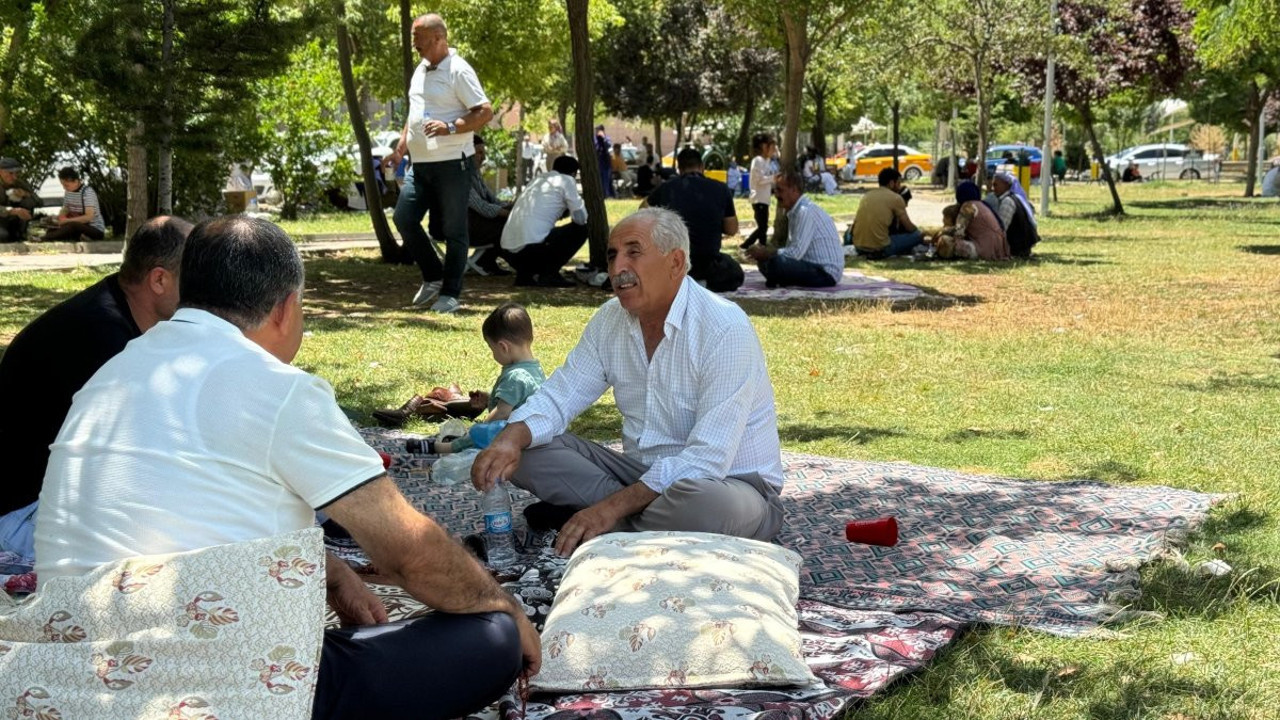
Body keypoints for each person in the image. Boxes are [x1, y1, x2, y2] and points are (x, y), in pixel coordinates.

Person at [34, 215, 540, 719]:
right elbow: (411, 551)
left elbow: (189, 519)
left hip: (68, 664)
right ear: (285, 307)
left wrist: (334, 573)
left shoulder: (112, 374)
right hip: (215, 689)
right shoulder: (276, 388)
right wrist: (507, 606)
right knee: (491, 637)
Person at [472, 208, 786, 558]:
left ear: (676, 262)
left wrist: (608, 508)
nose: (617, 268)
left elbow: (707, 459)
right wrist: (509, 439)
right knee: (525, 449)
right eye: (612, 255)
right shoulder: (610, 319)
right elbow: (562, 394)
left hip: (727, 485)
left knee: (704, 505)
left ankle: (605, 525)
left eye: (633, 252)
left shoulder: (724, 328)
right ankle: (635, 527)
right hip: (637, 478)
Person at [0, 216, 190, 563]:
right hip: (23, 518)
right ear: (159, 280)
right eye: (196, 276)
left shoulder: (119, 308)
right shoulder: (102, 339)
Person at [386, 14, 494, 315]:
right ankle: (433, 276)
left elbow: (484, 111)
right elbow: (414, 113)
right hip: (419, 165)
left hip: (452, 164)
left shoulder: (458, 70)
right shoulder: (421, 70)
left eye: (417, 37)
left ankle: (450, 293)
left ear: (437, 37)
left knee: (454, 230)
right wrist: (400, 150)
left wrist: (450, 127)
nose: (413, 43)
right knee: (404, 218)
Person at [434, 303, 546, 454]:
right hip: (531, 432)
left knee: (480, 432)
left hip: (512, 434)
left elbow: (502, 412)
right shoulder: (535, 369)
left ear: (503, 347)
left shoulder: (516, 376)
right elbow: (516, 400)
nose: (493, 354)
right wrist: (489, 399)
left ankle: (450, 448)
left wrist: (482, 426)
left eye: (492, 349)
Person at [643, 147, 743, 292]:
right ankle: (702, 283)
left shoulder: (666, 189)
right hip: (708, 264)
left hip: (674, 262)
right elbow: (731, 229)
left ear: (679, 168)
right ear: (702, 167)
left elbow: (642, 212)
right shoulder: (721, 189)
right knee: (734, 270)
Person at [500, 155, 588, 287]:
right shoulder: (567, 180)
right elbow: (580, 219)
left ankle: (525, 276)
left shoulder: (538, 180)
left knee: (538, 233)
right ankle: (550, 274)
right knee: (582, 230)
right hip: (533, 251)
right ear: (573, 173)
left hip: (508, 252)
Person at [746, 171, 843, 288]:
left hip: (825, 273)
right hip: (812, 267)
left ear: (794, 190)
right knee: (767, 261)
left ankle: (778, 277)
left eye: (780, 190)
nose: (776, 195)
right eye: (775, 190)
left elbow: (796, 253)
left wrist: (769, 252)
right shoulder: (795, 212)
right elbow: (791, 252)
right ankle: (778, 277)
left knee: (775, 263)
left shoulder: (804, 211)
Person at [465, 134, 513, 275]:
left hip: (476, 222)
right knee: (507, 225)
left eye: (483, 153)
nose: (483, 158)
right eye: (479, 153)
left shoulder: (475, 174)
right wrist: (509, 214)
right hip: (466, 227)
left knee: (511, 216)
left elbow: (492, 200)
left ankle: (487, 261)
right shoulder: (461, 176)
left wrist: (513, 206)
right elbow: (482, 207)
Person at [851, 168, 923, 258]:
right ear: (892, 183)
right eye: (898, 183)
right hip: (881, 248)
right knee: (917, 235)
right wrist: (920, 232)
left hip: (858, 246)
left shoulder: (867, 196)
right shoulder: (896, 198)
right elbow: (909, 227)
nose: (900, 187)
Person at [932, 180, 1009, 261]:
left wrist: (942, 232)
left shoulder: (968, 206)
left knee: (945, 241)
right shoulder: (981, 205)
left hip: (985, 249)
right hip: (998, 248)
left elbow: (958, 231)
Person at [42, 166, 108, 241]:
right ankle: (78, 237)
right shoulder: (68, 192)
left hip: (93, 228)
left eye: (66, 185)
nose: (64, 188)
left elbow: (89, 217)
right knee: (52, 229)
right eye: (63, 185)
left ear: (76, 181)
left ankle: (44, 238)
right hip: (76, 225)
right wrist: (59, 219)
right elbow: (66, 208)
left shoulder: (87, 192)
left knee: (72, 225)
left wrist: (67, 221)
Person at [987, 171, 1039, 257]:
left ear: (1006, 185)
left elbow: (1001, 229)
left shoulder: (1008, 201)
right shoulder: (1016, 198)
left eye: (995, 185)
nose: (993, 188)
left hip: (1016, 249)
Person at [741, 133, 776, 250]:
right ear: (763, 146)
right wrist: (774, 178)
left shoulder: (767, 161)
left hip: (764, 199)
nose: (773, 150)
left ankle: (759, 245)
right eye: (771, 147)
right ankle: (748, 245)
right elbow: (760, 179)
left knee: (763, 226)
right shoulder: (758, 160)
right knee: (763, 227)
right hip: (758, 198)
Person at [0, 157, 38, 243]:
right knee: (3, 236)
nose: (14, 177)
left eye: (17, 173)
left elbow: (39, 201)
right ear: (1, 172)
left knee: (28, 201)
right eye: (10, 173)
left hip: (15, 222)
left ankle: (20, 233)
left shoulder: (20, 184)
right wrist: (12, 211)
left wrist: (25, 194)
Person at [594, 124, 614, 198]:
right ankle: (600, 194)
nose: (597, 132)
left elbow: (608, 146)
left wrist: (603, 138)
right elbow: (595, 148)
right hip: (598, 162)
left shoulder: (607, 138)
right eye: (596, 130)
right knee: (599, 180)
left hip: (606, 162)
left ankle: (606, 194)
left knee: (606, 179)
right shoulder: (595, 139)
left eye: (598, 130)